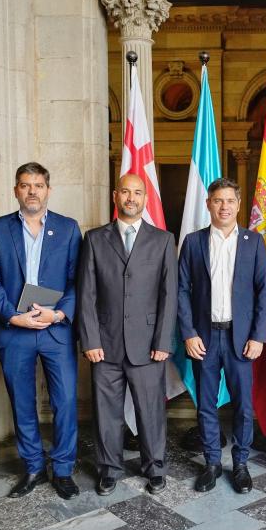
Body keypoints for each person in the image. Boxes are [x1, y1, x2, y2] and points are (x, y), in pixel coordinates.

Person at [0, 162, 82, 500]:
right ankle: (34, 467)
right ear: (16, 190)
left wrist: (58, 313)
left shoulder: (68, 229)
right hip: (15, 330)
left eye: (38, 185)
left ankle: (63, 469)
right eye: (25, 185)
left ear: (48, 190)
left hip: (55, 329)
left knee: (65, 400)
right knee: (22, 401)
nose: (32, 191)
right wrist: (12, 315)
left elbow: (77, 281)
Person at [76, 173, 177, 496]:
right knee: (106, 413)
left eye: (137, 193)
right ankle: (109, 469)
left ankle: (155, 468)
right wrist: (90, 340)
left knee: (151, 411)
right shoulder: (94, 239)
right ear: (115, 196)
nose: (131, 198)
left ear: (146, 199)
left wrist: (163, 341)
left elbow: (169, 295)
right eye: (125, 192)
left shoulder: (163, 240)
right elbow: (86, 294)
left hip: (148, 346)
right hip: (104, 346)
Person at [178, 178, 266, 493]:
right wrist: (188, 333)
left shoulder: (253, 242)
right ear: (208, 204)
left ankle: (241, 464)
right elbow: (181, 290)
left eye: (230, 200)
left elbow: (264, 293)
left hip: (241, 339)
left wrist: (258, 336)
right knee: (206, 405)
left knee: (244, 405)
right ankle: (212, 463)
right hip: (204, 338)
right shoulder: (193, 242)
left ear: (239, 204)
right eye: (218, 200)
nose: (224, 206)